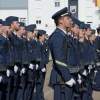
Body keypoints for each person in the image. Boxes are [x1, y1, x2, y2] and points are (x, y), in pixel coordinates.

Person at [49, 7, 76, 100]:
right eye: (68, 18)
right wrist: (67, 77)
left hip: (66, 75)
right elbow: (59, 59)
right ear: (60, 21)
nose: (70, 20)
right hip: (62, 78)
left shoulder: (63, 35)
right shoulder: (58, 35)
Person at [36, 30, 46, 100]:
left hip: (43, 66)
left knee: (41, 84)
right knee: (39, 84)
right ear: (40, 37)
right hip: (40, 67)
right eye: (43, 36)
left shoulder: (42, 44)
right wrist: (42, 66)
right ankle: (39, 98)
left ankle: (41, 97)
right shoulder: (38, 45)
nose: (45, 37)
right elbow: (39, 57)